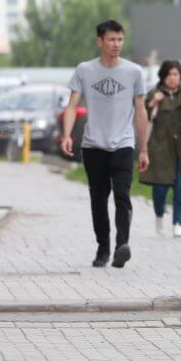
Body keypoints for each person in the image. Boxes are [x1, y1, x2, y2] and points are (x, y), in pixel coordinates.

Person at [61, 20, 149, 269]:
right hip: (93, 146)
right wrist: (67, 134)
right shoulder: (84, 70)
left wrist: (143, 149)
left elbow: (141, 111)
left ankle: (122, 245)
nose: (116, 44)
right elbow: (71, 106)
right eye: (111, 39)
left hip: (123, 144)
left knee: (122, 195)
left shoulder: (134, 72)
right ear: (100, 41)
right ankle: (103, 247)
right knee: (98, 199)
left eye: (120, 39)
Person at [139, 60, 181, 239]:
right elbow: (143, 114)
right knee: (160, 188)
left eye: (176, 74)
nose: (173, 78)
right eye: (169, 74)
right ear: (163, 76)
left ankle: (178, 223)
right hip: (161, 147)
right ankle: (159, 215)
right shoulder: (155, 92)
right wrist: (154, 102)